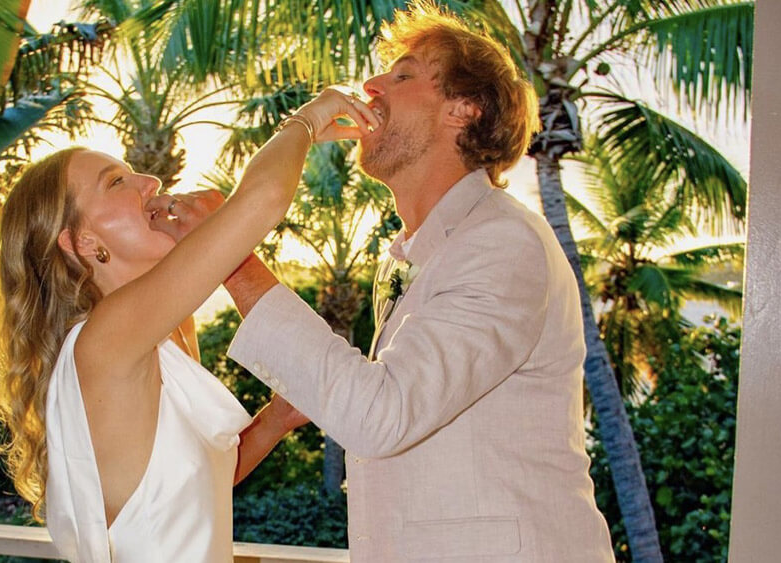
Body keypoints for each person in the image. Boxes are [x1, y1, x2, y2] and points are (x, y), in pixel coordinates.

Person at [215, 3, 616, 561]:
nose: (372, 86)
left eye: (402, 76)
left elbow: (383, 416)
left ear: (465, 109)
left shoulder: (502, 242)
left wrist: (229, 257)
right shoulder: (428, 250)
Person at [0, 88, 379, 561]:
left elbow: (188, 488)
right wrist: (306, 120)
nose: (150, 181)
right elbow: (263, 200)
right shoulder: (103, 340)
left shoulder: (163, 336)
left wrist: (274, 421)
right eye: (117, 182)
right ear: (83, 241)